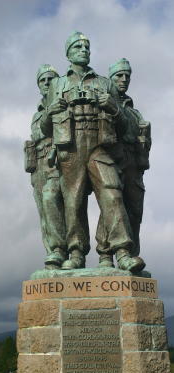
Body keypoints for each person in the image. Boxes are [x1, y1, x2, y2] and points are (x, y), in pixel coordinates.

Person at [46, 31, 144, 272]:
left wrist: (113, 108)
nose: (84, 50)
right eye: (78, 46)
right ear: (67, 53)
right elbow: (44, 128)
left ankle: (121, 251)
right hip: (70, 146)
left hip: (100, 145)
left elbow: (124, 127)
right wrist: (51, 112)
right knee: (73, 201)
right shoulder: (57, 84)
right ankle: (76, 252)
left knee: (112, 193)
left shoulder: (105, 83)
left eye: (87, 46)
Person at [96, 58, 151, 268]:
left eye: (127, 75)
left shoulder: (135, 111)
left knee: (134, 211)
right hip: (113, 158)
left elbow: (142, 139)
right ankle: (106, 255)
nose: (124, 79)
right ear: (110, 78)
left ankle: (132, 255)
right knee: (112, 204)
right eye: (119, 75)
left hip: (134, 164)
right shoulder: (105, 102)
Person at [24, 64, 67, 269]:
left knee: (54, 201)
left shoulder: (62, 104)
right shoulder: (37, 113)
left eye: (51, 79)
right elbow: (36, 135)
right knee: (44, 214)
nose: (47, 83)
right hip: (39, 164)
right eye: (43, 80)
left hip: (57, 161)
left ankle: (62, 250)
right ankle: (53, 255)